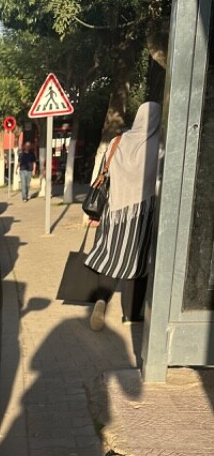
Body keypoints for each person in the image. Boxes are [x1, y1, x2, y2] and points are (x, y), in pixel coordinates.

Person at [85, 101, 161, 329]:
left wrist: (95, 214)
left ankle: (101, 301)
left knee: (110, 257)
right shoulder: (158, 145)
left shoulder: (117, 141)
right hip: (141, 214)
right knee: (137, 264)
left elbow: (102, 175)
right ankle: (130, 315)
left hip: (113, 210)